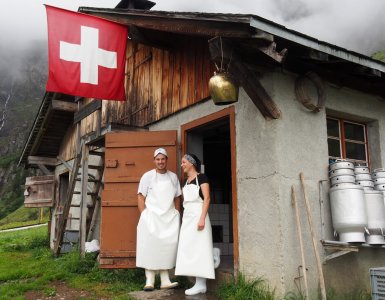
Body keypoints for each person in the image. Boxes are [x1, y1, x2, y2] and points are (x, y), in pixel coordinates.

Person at [136, 148, 181, 291]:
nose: (160, 162)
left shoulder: (173, 177)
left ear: (166, 160)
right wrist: (144, 214)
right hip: (151, 217)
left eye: (163, 159)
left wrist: (177, 212)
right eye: (158, 159)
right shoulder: (147, 176)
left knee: (165, 248)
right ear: (154, 160)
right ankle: (149, 280)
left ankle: (165, 280)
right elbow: (140, 196)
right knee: (150, 247)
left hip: (168, 218)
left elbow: (177, 196)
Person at [175, 153, 215, 296]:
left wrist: (202, 218)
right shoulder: (185, 182)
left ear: (191, 163)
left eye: (184, 162)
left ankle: (201, 284)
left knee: (200, 249)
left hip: (199, 216)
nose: (182, 165)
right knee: (190, 248)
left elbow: (207, 199)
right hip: (188, 218)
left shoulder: (202, 178)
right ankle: (198, 282)